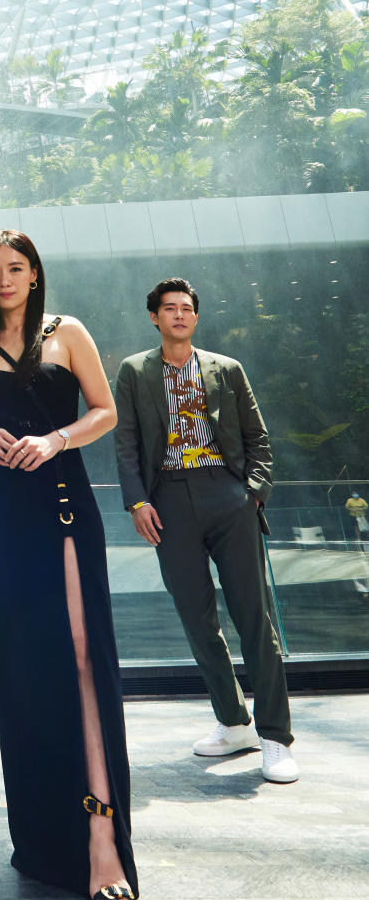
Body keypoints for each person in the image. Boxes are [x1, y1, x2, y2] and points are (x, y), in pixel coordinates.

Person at [0, 230, 138, 900]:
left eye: (15, 268)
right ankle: (40, 837)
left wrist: (55, 439)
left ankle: (102, 838)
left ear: (34, 275)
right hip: (2, 512)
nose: (4, 279)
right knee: (27, 669)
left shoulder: (69, 334)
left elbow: (106, 411)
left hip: (62, 503)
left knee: (85, 660)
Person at [114, 277, 298, 783]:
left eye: (187, 309)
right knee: (197, 619)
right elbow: (127, 445)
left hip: (227, 495)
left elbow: (258, 438)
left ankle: (276, 737)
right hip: (169, 500)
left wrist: (252, 492)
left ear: (195, 317)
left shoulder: (227, 369)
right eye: (169, 309)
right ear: (154, 317)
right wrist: (136, 502)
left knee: (253, 617)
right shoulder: (134, 371)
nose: (179, 315)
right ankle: (232, 720)